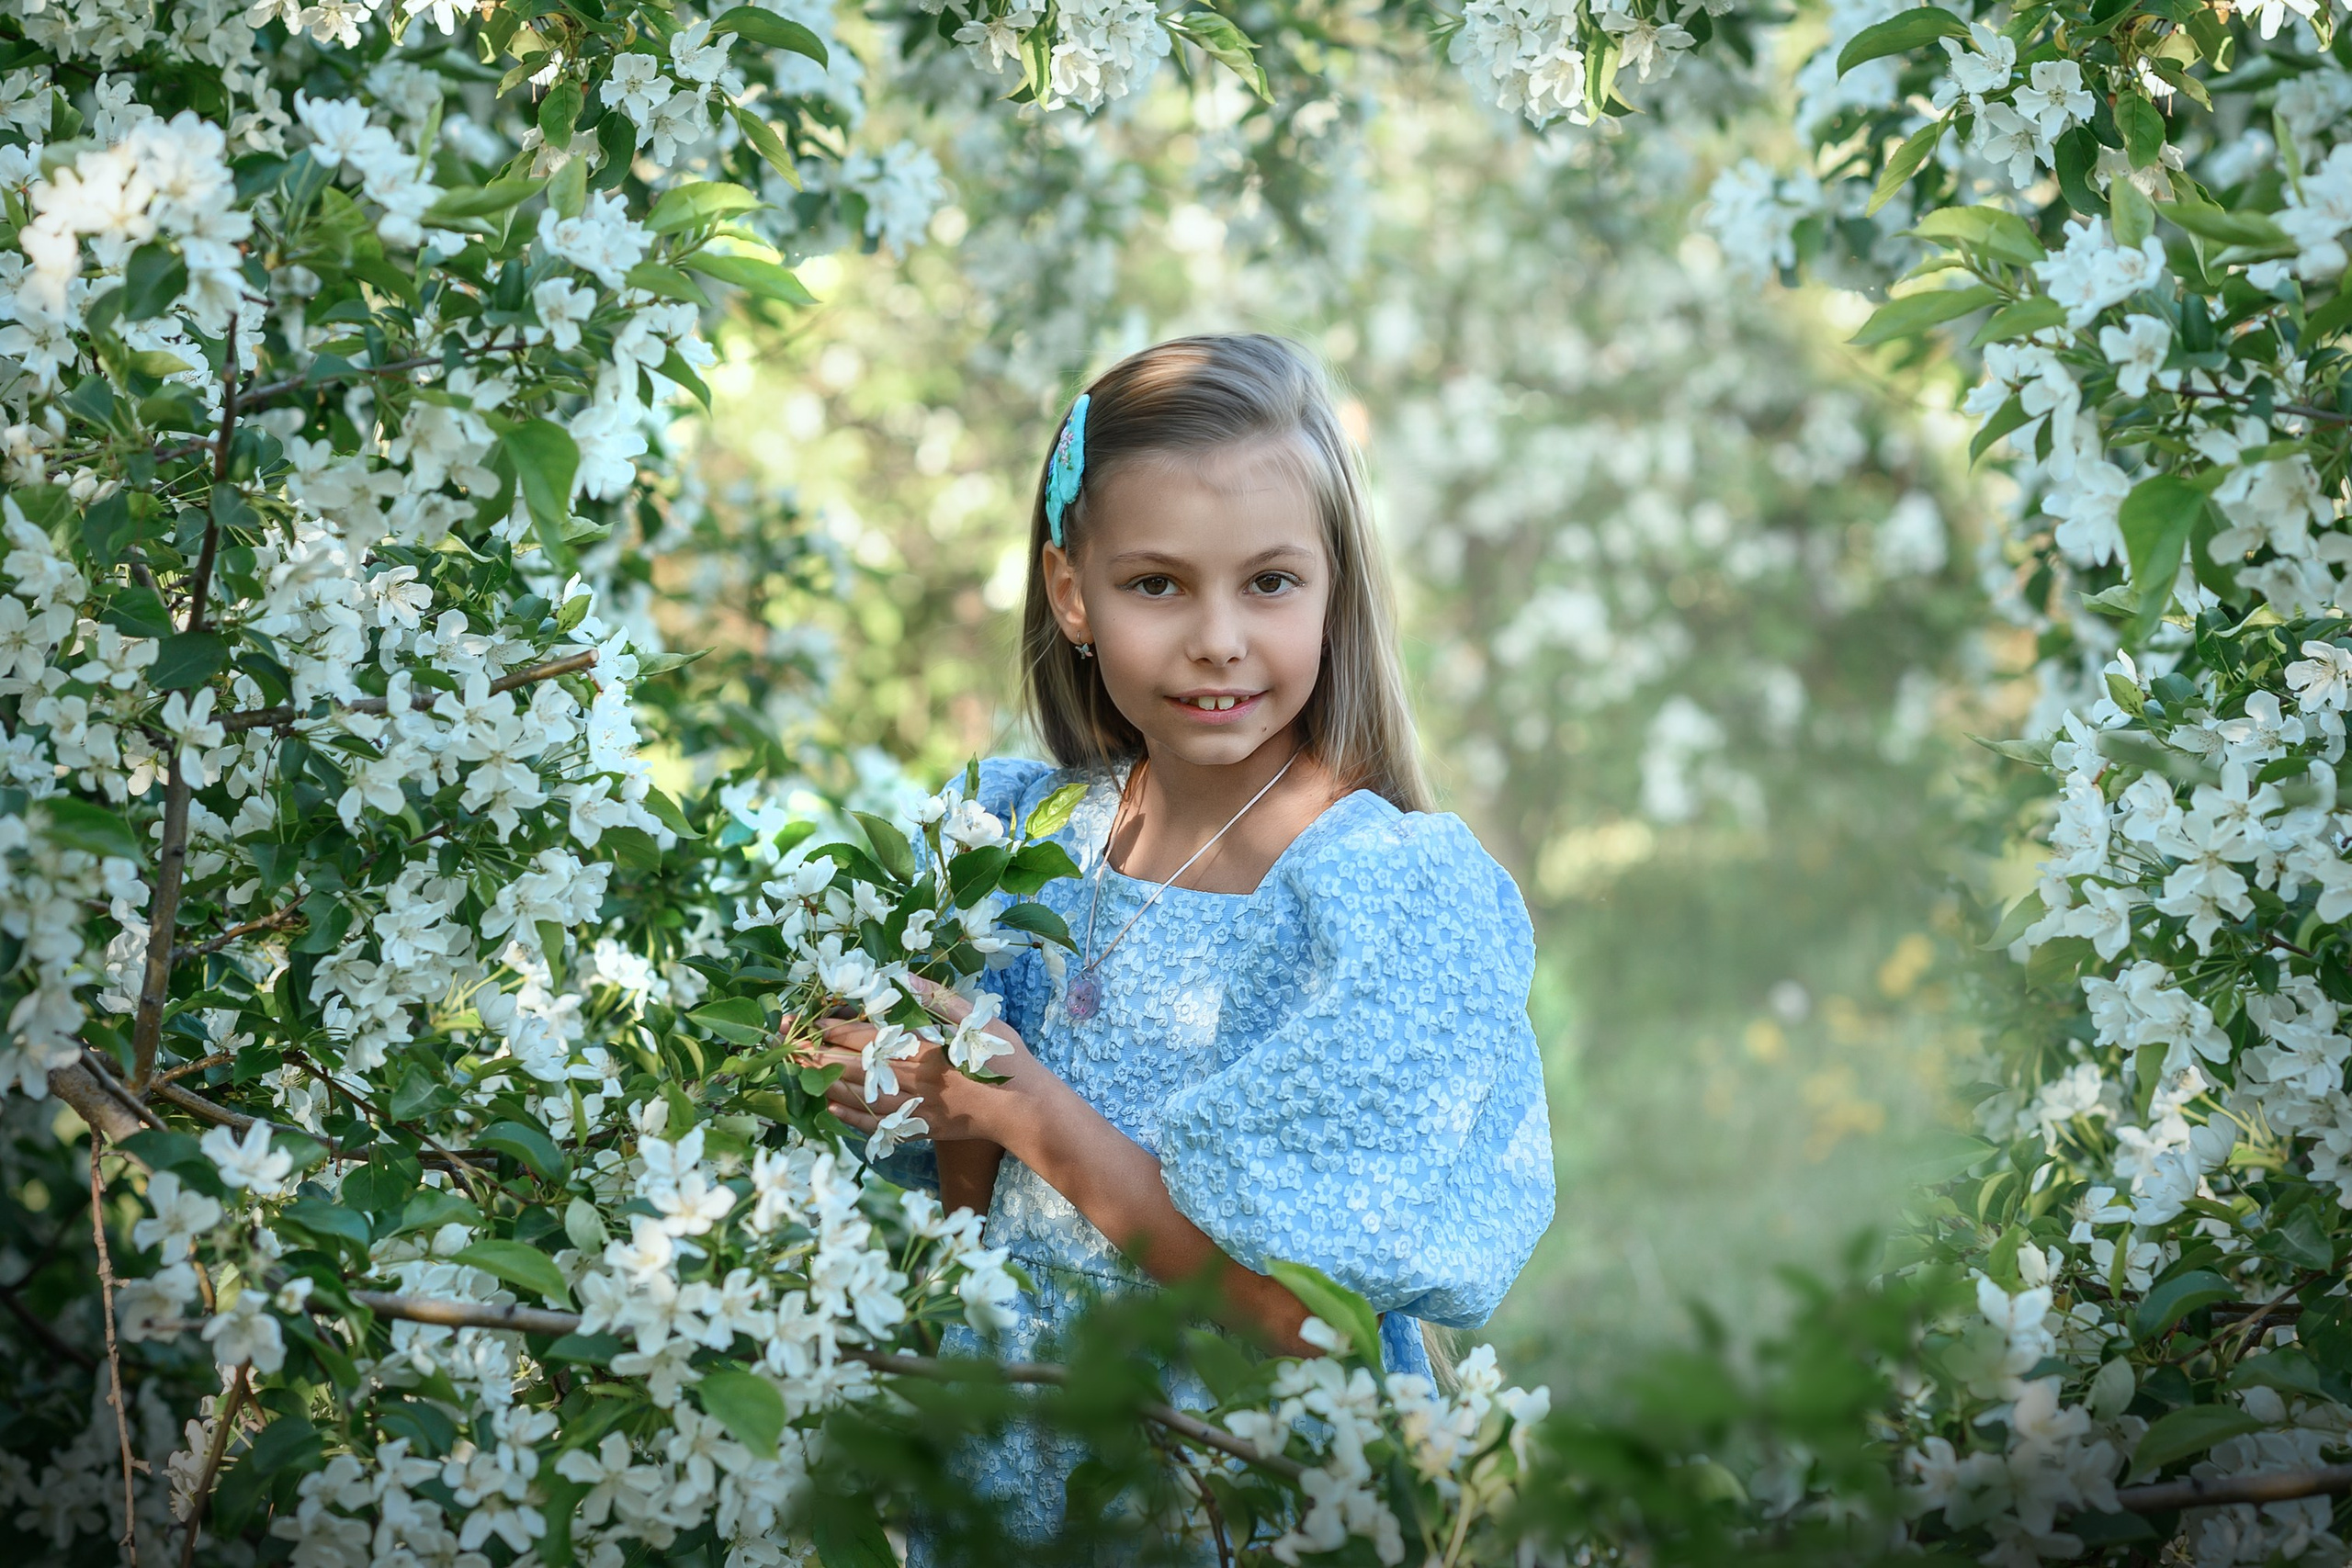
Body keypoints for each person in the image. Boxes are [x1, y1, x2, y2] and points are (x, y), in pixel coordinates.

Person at [808, 333, 1555, 1556]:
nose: (1218, 638)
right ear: (1072, 594)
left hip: (1237, 1485)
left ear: (1334, 590)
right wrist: (932, 1101)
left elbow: (1307, 1322)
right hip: (1015, 1456)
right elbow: (971, 1210)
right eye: (1157, 585)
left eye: (1270, 583)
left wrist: (1024, 1107)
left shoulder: (1382, 897)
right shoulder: (1021, 834)